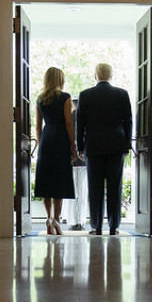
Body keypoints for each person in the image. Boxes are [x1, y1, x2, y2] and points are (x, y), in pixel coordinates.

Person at [76, 63, 132, 235]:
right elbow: (128, 121)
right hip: (116, 145)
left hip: (93, 146)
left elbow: (80, 124)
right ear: (111, 75)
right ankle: (114, 227)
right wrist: (127, 143)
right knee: (115, 187)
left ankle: (97, 226)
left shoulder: (85, 95)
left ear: (95, 75)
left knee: (95, 187)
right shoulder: (122, 94)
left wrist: (80, 146)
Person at [33, 67, 77, 235]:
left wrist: (40, 143)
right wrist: (73, 146)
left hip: (46, 138)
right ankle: (57, 220)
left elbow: (38, 126)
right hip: (60, 138)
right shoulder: (65, 97)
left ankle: (48, 218)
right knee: (59, 179)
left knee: (46, 180)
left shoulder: (40, 99)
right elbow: (68, 123)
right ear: (60, 80)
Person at [66, 98, 89, 231]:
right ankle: (81, 219)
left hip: (71, 158)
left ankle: (72, 220)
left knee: (72, 191)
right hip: (83, 158)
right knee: (83, 190)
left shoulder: (68, 119)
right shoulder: (85, 118)